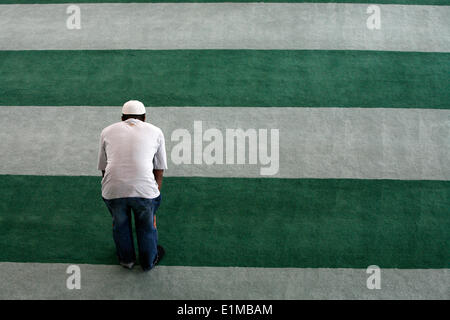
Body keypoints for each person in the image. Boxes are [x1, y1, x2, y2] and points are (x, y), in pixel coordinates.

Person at [97, 100, 168, 271]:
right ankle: (148, 261)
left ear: (122, 118)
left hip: (113, 190)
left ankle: (126, 260)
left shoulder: (107, 132)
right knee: (146, 226)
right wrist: (154, 193)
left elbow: (104, 168)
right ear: (144, 117)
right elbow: (159, 169)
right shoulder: (156, 131)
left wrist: (114, 188)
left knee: (120, 224)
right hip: (144, 192)